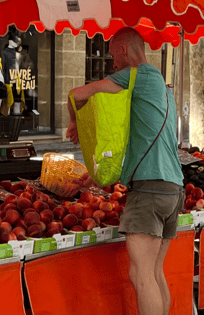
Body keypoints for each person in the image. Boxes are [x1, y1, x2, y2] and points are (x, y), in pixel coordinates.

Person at [66, 27, 184, 315]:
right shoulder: (158, 84)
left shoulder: (136, 75)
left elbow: (76, 94)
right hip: (173, 188)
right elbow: (133, 144)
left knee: (141, 277)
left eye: (112, 56)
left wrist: (75, 125)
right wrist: (92, 177)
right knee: (155, 274)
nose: (113, 64)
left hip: (151, 189)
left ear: (122, 50)